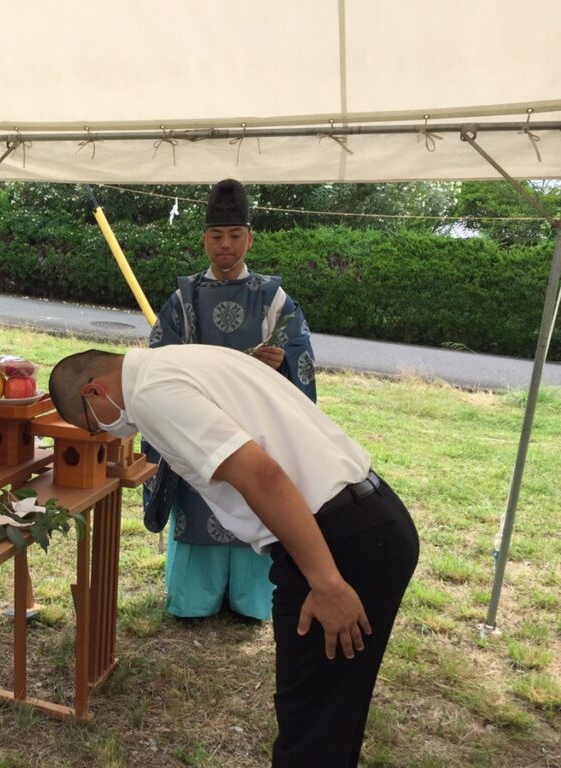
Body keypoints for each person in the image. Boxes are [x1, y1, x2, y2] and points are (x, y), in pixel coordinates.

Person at [48, 346, 418, 767]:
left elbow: (262, 475)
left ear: (94, 391)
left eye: (94, 426)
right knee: (333, 714)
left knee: (311, 727)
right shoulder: (179, 359)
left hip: (338, 540)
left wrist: (326, 581)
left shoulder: (150, 394)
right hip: (370, 518)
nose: (106, 432)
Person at [147, 178, 316, 622]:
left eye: (235, 235)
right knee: (200, 500)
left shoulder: (271, 297)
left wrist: (281, 362)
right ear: (204, 239)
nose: (226, 246)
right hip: (198, 426)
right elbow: (158, 358)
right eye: (217, 236)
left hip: (253, 426)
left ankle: (251, 600)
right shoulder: (184, 299)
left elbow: (300, 353)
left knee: (256, 501)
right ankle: (192, 599)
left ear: (250, 238)